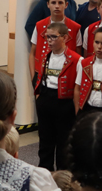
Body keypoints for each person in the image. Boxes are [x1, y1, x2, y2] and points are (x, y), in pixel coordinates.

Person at [33, 22, 82, 172]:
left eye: (53, 37)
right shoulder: (46, 56)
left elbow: (78, 87)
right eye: (47, 37)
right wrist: (39, 97)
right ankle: (45, 171)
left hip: (64, 102)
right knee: (45, 140)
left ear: (65, 38)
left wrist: (76, 110)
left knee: (64, 141)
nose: (49, 41)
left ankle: (63, 174)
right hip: (46, 97)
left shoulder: (77, 60)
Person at [30, 0, 81, 81]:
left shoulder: (75, 28)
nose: (57, 6)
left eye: (60, 3)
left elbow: (78, 55)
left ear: (66, 5)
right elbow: (32, 53)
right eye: (53, 3)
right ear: (48, 4)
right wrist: (33, 78)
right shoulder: (39, 26)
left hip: (66, 77)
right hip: (41, 75)